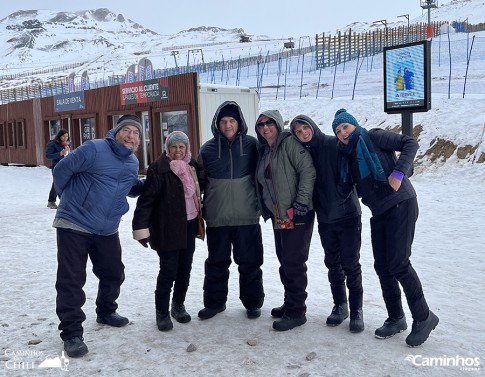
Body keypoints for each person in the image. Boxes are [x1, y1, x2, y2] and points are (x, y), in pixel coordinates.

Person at [332, 108, 439, 347]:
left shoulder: (373, 136)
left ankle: (424, 317)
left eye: (345, 127)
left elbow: (409, 143)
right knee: (383, 266)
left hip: (401, 203)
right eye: (338, 131)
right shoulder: (347, 156)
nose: (342, 133)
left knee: (399, 263)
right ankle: (396, 317)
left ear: (354, 125)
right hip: (379, 212)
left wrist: (399, 172)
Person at [52, 114, 144, 358]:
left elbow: (130, 186)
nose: (131, 136)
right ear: (117, 131)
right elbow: (62, 170)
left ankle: (105, 311)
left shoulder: (132, 162)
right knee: (71, 280)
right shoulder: (94, 148)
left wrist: (154, 184)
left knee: (114, 272)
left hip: (107, 228)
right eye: (127, 131)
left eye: (136, 133)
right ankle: (72, 333)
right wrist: (69, 199)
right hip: (75, 223)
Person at [290, 115, 364, 333]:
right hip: (325, 217)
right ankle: (340, 305)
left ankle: (357, 310)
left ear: (313, 125)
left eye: (306, 128)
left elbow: (356, 168)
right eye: (298, 132)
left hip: (348, 215)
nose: (304, 133)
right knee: (332, 263)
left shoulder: (334, 143)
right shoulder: (304, 153)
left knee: (351, 263)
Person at [197, 101, 264, 320]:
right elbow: (198, 182)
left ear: (239, 122)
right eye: (223, 121)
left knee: (251, 262)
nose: (228, 125)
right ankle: (215, 303)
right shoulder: (206, 149)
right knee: (217, 263)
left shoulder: (252, 145)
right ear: (217, 123)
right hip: (218, 217)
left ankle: (253, 303)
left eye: (232, 121)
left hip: (247, 217)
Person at [132, 131, 203, 332]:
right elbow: (146, 202)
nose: (178, 150)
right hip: (167, 228)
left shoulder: (192, 167)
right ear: (167, 148)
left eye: (182, 147)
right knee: (168, 271)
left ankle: (178, 306)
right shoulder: (158, 169)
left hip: (189, 226)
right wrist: (141, 228)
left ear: (187, 148)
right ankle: (162, 312)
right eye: (174, 147)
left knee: (185, 269)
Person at [255, 110, 316, 331]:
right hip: (280, 215)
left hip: (297, 213)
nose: (265, 127)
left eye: (269, 123)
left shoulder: (289, 143)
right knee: (285, 260)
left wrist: (300, 202)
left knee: (294, 261)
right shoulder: (266, 151)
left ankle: (297, 311)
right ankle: (290, 302)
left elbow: (308, 171)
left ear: (278, 124)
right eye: (261, 125)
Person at [45, 129, 70, 209]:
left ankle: (66, 201)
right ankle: (51, 201)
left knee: (68, 183)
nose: (65, 138)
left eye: (67, 136)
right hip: (57, 166)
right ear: (59, 136)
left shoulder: (67, 144)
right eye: (63, 136)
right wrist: (59, 154)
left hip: (67, 166)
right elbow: (48, 155)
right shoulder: (53, 144)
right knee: (57, 183)